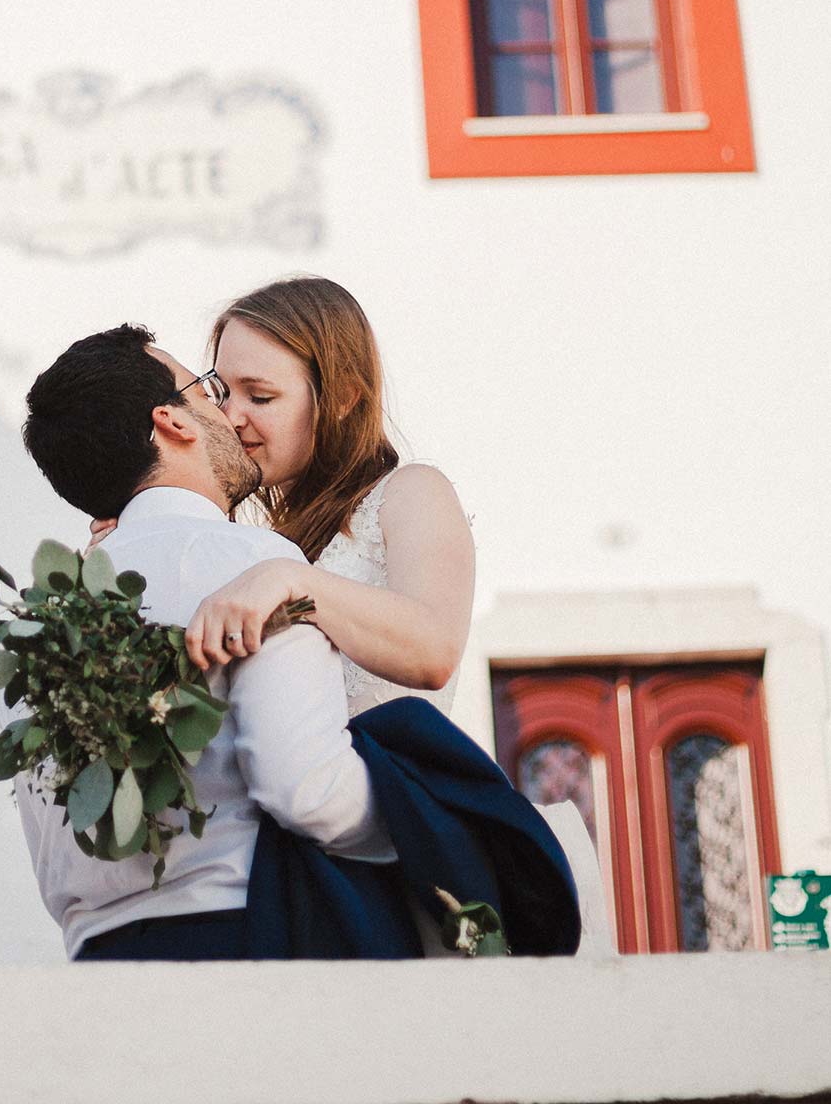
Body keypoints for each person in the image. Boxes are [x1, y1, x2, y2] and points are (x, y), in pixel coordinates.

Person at [90, 275, 612, 956]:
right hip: (255, 869)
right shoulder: (239, 537)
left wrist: (287, 581)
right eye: (222, 393)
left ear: (340, 400)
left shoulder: (410, 494)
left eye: (263, 396)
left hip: (387, 852)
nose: (234, 417)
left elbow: (431, 649)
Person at [11, 323, 396, 962]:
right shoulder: (250, 560)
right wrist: (426, 814)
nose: (230, 414)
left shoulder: (36, 619)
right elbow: (306, 790)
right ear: (173, 423)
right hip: (242, 937)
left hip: (95, 963)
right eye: (211, 390)